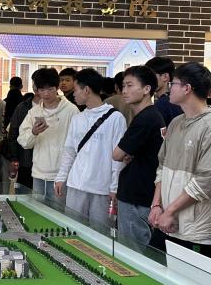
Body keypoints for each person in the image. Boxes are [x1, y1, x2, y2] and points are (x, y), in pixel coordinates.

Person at [150, 63, 211, 254]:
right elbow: (162, 166)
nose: (169, 88)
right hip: (165, 221)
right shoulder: (176, 123)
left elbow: (207, 180)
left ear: (187, 88)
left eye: (173, 84)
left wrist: (170, 211)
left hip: (196, 230)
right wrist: (157, 205)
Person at [54, 68, 126, 228]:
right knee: (72, 229)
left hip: (101, 188)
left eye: (76, 89)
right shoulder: (77, 118)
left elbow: (118, 158)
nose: (74, 94)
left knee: (99, 233)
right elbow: (69, 151)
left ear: (86, 90)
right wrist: (61, 177)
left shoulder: (115, 118)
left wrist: (114, 187)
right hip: (75, 185)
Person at [112, 66, 164, 247]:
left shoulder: (146, 118)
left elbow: (117, 154)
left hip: (137, 195)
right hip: (142, 192)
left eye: (130, 85)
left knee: (132, 250)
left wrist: (124, 154)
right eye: (123, 86)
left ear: (147, 89)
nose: (124, 91)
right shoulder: (150, 115)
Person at [20, 67, 78, 201]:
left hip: (61, 174)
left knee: (59, 211)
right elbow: (23, 141)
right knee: (37, 210)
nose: (46, 94)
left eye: (50, 89)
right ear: (36, 90)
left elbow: (77, 143)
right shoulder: (34, 112)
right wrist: (33, 132)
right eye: (42, 90)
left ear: (57, 87)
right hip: (38, 172)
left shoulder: (71, 111)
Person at [7, 90, 37, 193]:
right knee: (24, 195)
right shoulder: (22, 107)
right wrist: (14, 158)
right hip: (25, 160)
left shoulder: (65, 108)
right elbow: (13, 133)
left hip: (48, 165)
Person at [145, 56, 183, 126]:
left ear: (165, 77)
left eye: (151, 76)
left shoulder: (162, 105)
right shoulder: (178, 101)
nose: (147, 80)